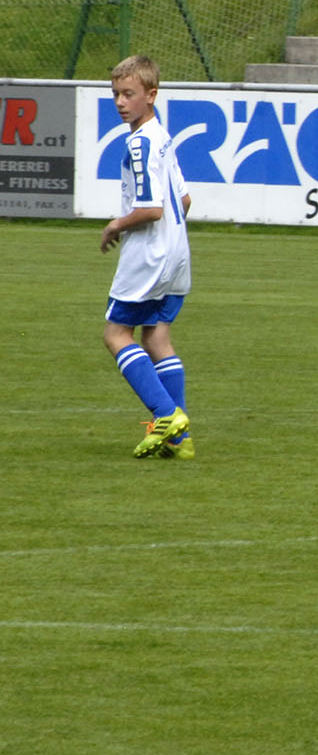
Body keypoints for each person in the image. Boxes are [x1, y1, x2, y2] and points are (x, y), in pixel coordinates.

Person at [98, 55, 195, 461]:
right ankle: (179, 441)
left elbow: (151, 209)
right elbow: (184, 200)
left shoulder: (139, 143)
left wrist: (116, 225)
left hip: (150, 254)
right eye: (116, 94)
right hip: (177, 251)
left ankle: (166, 415)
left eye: (129, 94)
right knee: (156, 337)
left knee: (116, 334)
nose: (121, 103)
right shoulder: (161, 135)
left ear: (151, 95)